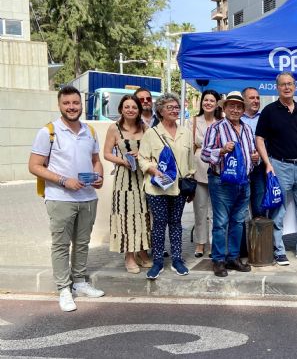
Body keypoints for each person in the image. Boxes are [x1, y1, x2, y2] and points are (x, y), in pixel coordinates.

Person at [29, 85, 105, 312]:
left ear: (81, 105)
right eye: (67, 103)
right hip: (60, 197)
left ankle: (79, 282)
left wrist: (99, 175)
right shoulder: (48, 131)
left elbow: (95, 160)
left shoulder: (89, 131)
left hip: (87, 197)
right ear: (60, 105)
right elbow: (34, 166)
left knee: (82, 243)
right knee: (61, 244)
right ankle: (64, 288)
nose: (72, 107)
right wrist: (64, 180)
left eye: (75, 103)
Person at [255, 72, 297, 265]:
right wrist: (268, 163)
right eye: (283, 84)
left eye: (290, 84)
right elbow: (259, 138)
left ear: (295, 86)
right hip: (279, 165)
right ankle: (278, 251)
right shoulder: (269, 111)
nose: (287, 87)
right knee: (278, 211)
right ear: (277, 87)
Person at [138, 93, 195, 279]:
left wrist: (190, 183)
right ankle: (157, 262)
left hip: (179, 187)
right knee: (160, 224)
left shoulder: (185, 133)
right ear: (160, 111)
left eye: (177, 107)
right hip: (157, 188)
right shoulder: (152, 133)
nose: (174, 110)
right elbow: (142, 158)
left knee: (176, 223)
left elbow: (190, 161)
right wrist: (153, 170)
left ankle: (177, 259)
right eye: (170, 107)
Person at [201, 91, 257, 277]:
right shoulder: (216, 128)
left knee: (238, 222)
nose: (235, 109)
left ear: (243, 109)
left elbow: (250, 155)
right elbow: (205, 154)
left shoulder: (248, 129)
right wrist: (222, 151)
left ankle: (233, 257)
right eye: (231, 106)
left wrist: (255, 157)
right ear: (224, 108)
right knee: (221, 222)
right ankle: (218, 259)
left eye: (239, 106)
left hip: (243, 181)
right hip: (221, 181)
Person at [103, 95, 152, 274]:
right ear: (121, 109)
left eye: (134, 107)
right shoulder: (114, 129)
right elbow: (106, 153)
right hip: (124, 178)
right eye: (127, 107)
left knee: (144, 215)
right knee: (125, 216)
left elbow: (152, 151)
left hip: (142, 177)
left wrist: (141, 154)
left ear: (139, 110)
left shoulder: (145, 128)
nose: (130, 110)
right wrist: (123, 160)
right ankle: (129, 256)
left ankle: (142, 251)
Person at [186, 89, 222, 258]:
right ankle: (200, 244)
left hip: (218, 169)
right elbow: (188, 148)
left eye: (211, 100)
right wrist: (189, 172)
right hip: (198, 168)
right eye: (205, 100)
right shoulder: (192, 122)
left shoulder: (222, 122)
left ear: (216, 104)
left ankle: (216, 242)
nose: (208, 103)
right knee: (200, 209)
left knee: (217, 210)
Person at [241, 87, 266, 219]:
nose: (256, 101)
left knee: (259, 208)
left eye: (257, 98)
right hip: (240, 169)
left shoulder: (265, 118)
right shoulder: (236, 119)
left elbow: (270, 143)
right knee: (240, 211)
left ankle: (259, 240)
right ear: (243, 100)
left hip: (259, 168)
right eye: (252, 98)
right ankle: (243, 241)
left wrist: (261, 157)